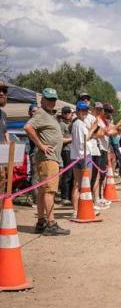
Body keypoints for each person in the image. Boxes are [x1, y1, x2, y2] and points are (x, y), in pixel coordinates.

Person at [23, 88, 70, 236]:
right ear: (42, 100)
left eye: (53, 99)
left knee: (44, 191)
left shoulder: (49, 115)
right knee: (49, 191)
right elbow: (28, 127)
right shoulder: (41, 114)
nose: (51, 102)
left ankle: (41, 222)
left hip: (50, 159)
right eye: (49, 99)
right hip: (47, 159)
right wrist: (41, 145)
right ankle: (51, 223)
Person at [70, 101, 97, 218]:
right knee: (85, 184)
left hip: (75, 156)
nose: (84, 112)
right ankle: (84, 208)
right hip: (84, 156)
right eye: (82, 110)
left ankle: (76, 210)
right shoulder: (80, 124)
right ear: (77, 111)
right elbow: (85, 140)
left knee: (77, 184)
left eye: (86, 110)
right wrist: (94, 128)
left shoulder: (76, 123)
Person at [58, 106, 73, 205]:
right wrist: (72, 139)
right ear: (62, 114)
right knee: (67, 175)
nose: (67, 114)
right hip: (66, 151)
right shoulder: (61, 125)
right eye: (65, 112)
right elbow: (61, 139)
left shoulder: (72, 124)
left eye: (68, 112)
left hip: (73, 151)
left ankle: (70, 196)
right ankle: (64, 197)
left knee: (72, 175)